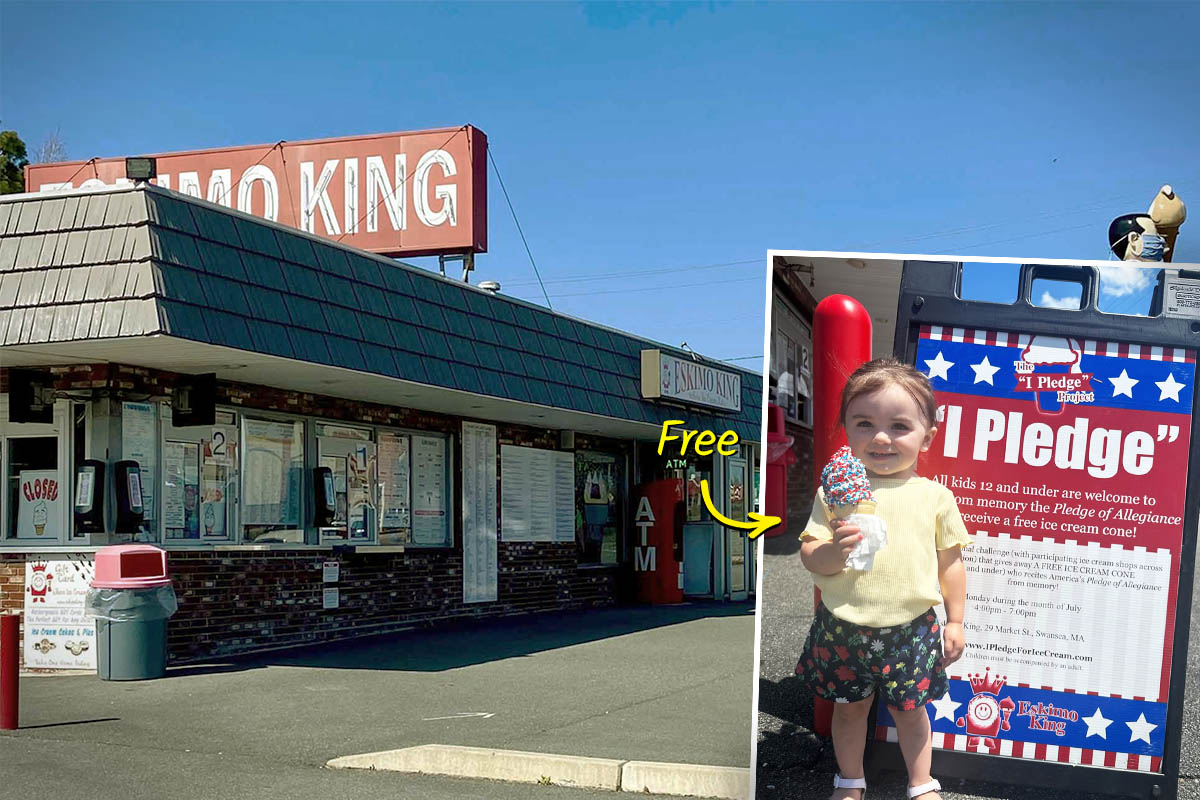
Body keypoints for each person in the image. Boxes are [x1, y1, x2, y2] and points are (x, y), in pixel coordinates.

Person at [797, 358, 970, 800]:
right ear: (845, 429)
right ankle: (850, 780)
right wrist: (834, 552)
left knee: (911, 712)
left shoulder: (935, 497)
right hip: (843, 625)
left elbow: (950, 564)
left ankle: (921, 782)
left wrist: (955, 621)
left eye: (898, 426)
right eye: (864, 423)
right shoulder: (833, 494)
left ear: (926, 436)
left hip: (910, 628)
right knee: (849, 710)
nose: (880, 437)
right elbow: (810, 553)